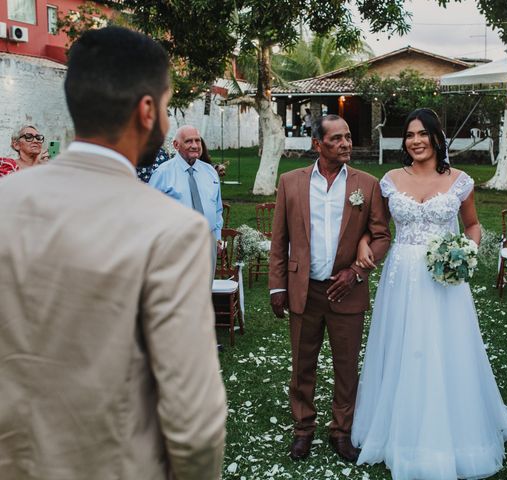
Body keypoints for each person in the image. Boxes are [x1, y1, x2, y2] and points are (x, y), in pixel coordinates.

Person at [0, 27, 227, 479]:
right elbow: (194, 422)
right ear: (147, 111)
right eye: (165, 108)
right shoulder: (173, 231)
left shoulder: (6, 201)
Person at [350, 108, 507, 480]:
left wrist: (467, 252)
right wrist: (364, 242)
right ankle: (398, 427)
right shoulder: (390, 180)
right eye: (409, 135)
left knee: (447, 348)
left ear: (435, 137)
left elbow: (474, 225)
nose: (415, 141)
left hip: (445, 279)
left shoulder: (460, 180)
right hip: (401, 277)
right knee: (402, 346)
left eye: (422, 134)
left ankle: (455, 430)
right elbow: (376, 228)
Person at [269, 114, 391, 462]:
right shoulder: (290, 182)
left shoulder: (366, 185)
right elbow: (279, 241)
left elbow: (382, 236)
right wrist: (277, 288)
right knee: (302, 366)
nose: (345, 144)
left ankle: (341, 432)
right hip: (303, 290)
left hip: (347, 290)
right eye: (336, 139)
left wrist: (355, 272)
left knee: (346, 367)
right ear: (317, 144)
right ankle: (303, 430)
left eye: (348, 137)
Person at [149, 125, 224, 253]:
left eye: (197, 140)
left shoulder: (210, 171)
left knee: (207, 274)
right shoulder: (162, 173)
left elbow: (217, 209)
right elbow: (150, 212)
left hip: (208, 243)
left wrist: (217, 237)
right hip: (175, 246)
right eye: (188, 141)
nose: (195, 145)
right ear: (176, 145)